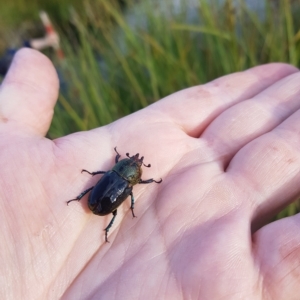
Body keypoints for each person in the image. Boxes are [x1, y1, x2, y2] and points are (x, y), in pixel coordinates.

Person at [0, 48, 299, 299]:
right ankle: (101, 224)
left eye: (135, 165)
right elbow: (117, 186)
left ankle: (97, 219)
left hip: (101, 198)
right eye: (134, 164)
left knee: (106, 197)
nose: (135, 163)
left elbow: (105, 177)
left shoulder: (117, 172)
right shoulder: (127, 179)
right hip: (103, 201)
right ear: (129, 171)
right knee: (112, 206)